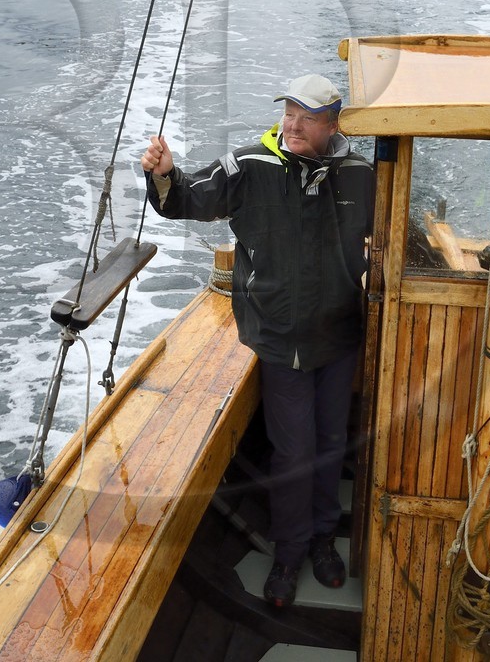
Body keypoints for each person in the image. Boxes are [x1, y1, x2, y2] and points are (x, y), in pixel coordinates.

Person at [140, 73, 374, 607]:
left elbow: (388, 230)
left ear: (332, 125)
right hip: (280, 338)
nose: (291, 124)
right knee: (294, 451)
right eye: (288, 112)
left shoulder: (359, 173)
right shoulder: (249, 166)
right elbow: (184, 200)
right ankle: (291, 554)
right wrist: (163, 173)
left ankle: (322, 540)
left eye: (306, 117)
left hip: (339, 336)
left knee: (332, 444)